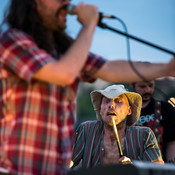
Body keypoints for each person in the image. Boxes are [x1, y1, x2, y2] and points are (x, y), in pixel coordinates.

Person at [0, 0, 174, 174]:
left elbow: (108, 68)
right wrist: (89, 25)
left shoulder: (64, 53)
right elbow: (63, 74)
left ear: (130, 110)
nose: (66, 3)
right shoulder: (13, 40)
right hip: (17, 168)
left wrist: (167, 68)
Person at [71, 84, 164, 169]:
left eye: (118, 101)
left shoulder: (145, 135)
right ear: (100, 109)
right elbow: (66, 161)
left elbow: (158, 170)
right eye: (106, 101)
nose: (111, 105)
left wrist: (133, 168)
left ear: (129, 110)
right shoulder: (86, 129)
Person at [131, 80, 175, 163]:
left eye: (151, 86)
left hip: (160, 166)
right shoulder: (124, 110)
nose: (148, 90)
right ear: (132, 85)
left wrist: (170, 167)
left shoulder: (166, 108)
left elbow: (172, 142)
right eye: (142, 87)